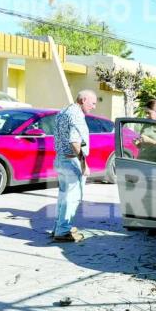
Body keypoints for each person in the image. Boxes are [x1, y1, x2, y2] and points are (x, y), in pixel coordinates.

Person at [52, 90, 97, 242]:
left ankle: (58, 227)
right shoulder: (77, 115)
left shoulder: (63, 111)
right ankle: (63, 230)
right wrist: (84, 164)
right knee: (72, 197)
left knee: (63, 196)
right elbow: (74, 142)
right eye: (92, 103)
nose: (94, 107)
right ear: (83, 100)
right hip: (71, 161)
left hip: (60, 159)